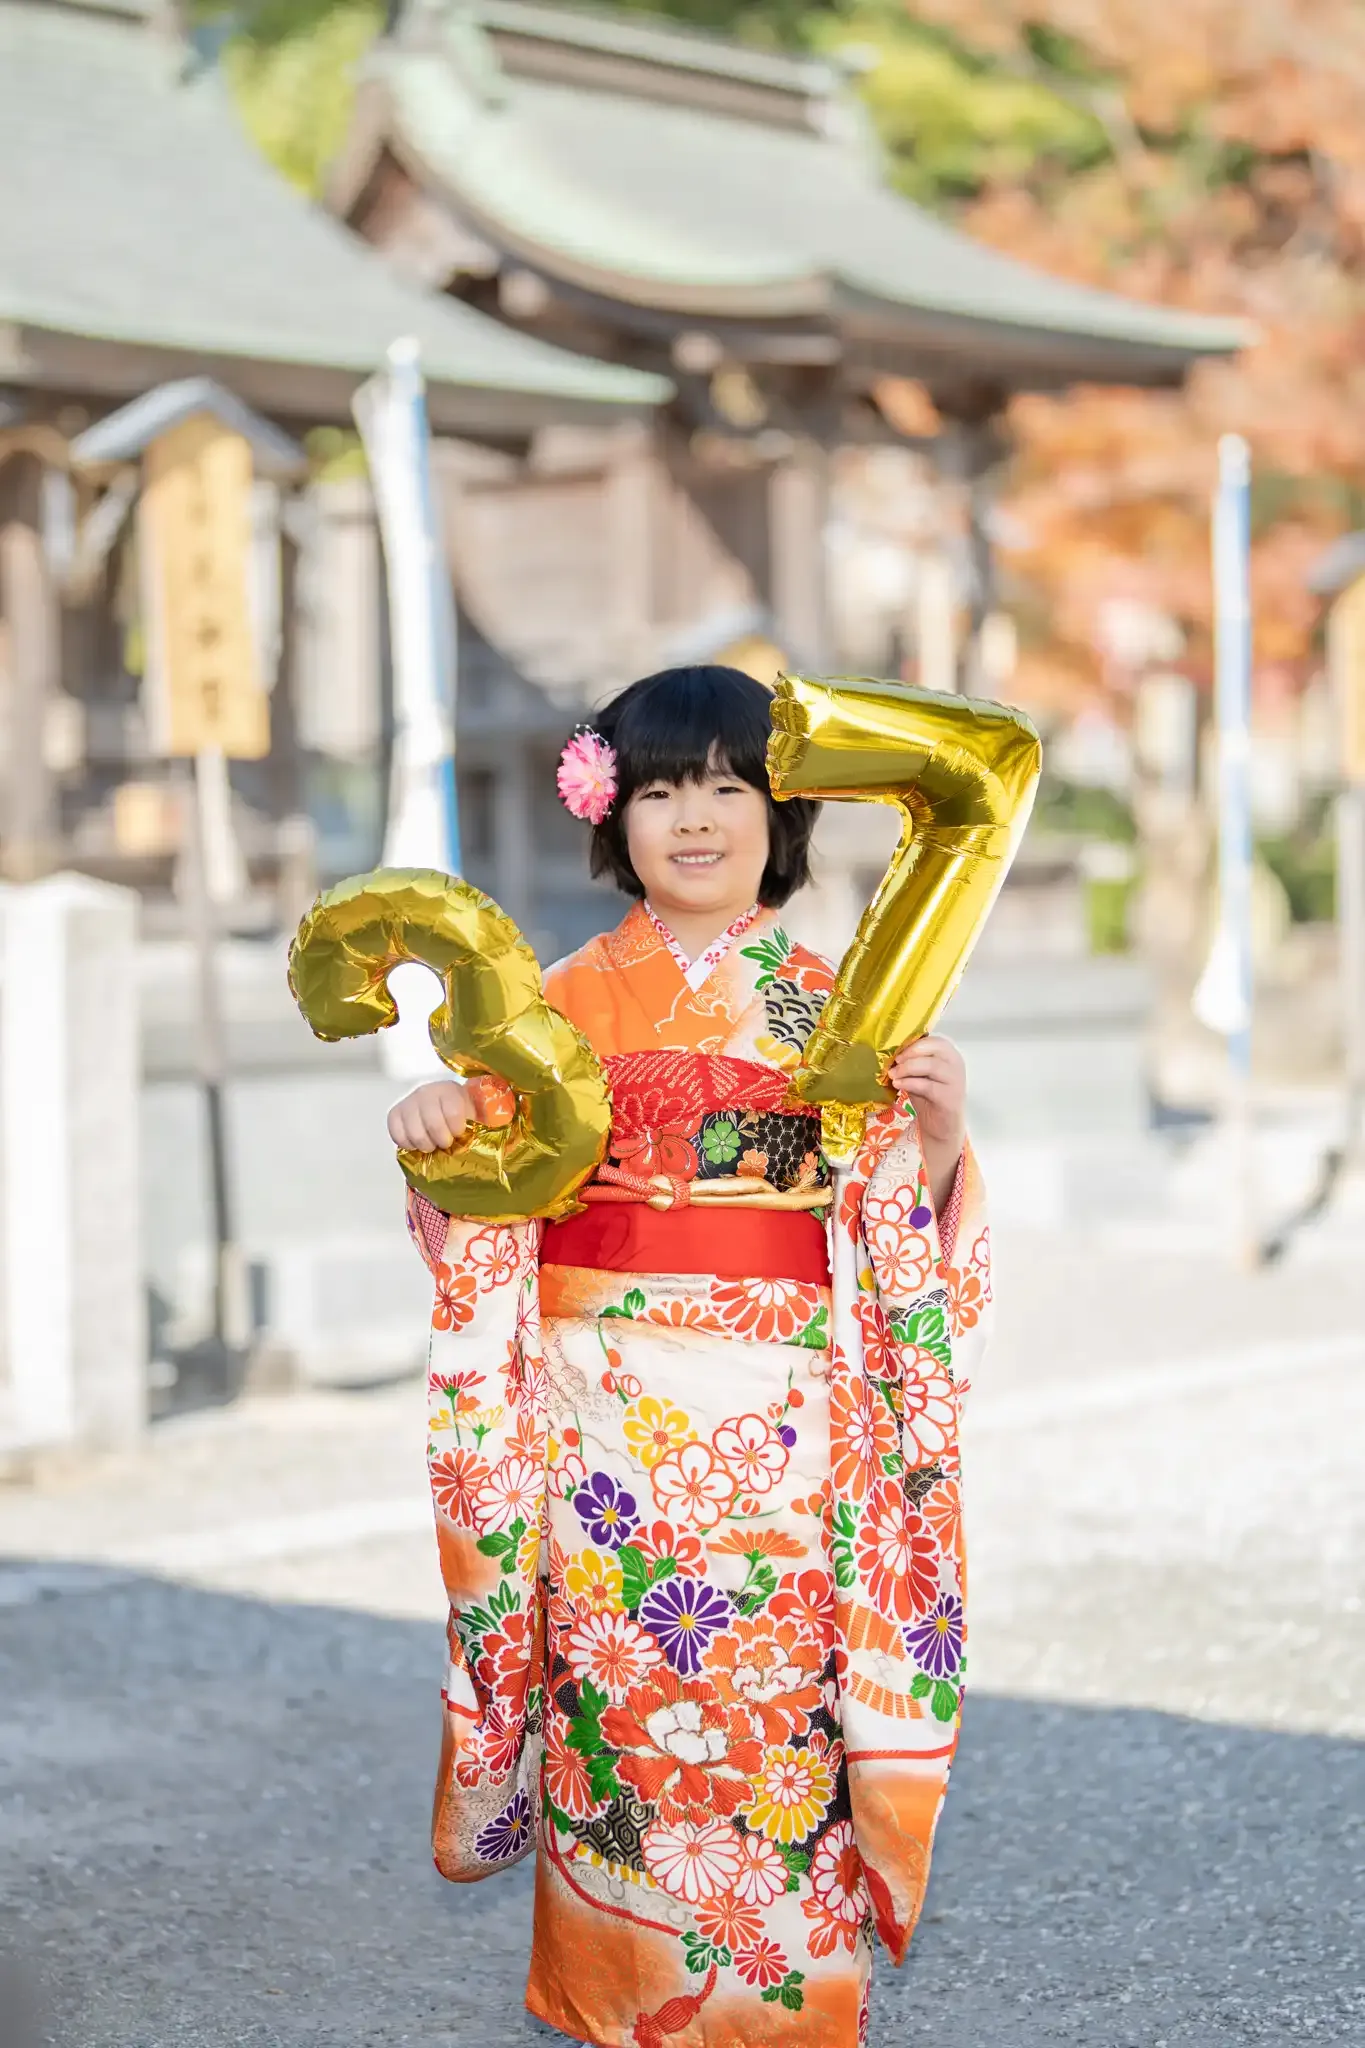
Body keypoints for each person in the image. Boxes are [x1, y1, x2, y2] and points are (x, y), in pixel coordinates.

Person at [389, 665, 990, 2048]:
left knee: (776, 1714)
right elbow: (485, 1201)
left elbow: (901, 1227)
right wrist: (436, 1130)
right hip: (601, 1430)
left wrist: (941, 1145)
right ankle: (613, 1996)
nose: (695, 818)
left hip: (778, 1429)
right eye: (659, 789)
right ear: (613, 817)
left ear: (781, 815)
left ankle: (773, 2015)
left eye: (727, 785)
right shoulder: (553, 998)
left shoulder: (843, 998)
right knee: (618, 1697)